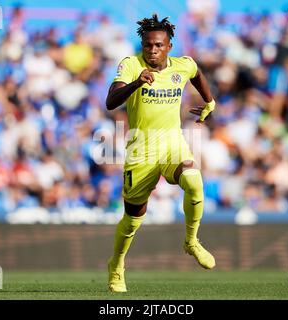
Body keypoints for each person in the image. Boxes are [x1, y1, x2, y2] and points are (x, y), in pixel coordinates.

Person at [105, 14, 216, 293]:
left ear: (169, 46)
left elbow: (197, 73)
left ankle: (191, 241)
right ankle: (117, 265)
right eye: (147, 46)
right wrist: (137, 83)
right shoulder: (131, 65)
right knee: (133, 218)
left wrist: (209, 102)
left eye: (157, 45)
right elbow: (111, 101)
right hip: (141, 149)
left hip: (172, 144)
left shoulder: (183, 65)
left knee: (193, 179)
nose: (152, 50)